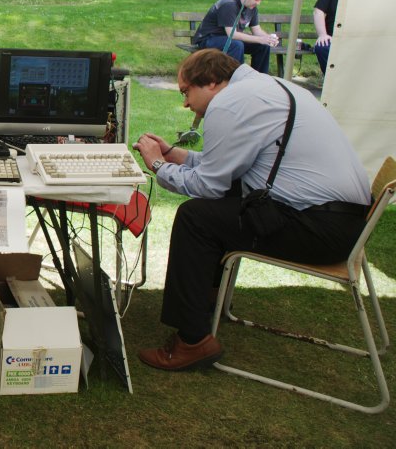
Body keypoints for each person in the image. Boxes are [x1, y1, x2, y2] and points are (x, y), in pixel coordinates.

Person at [133, 48, 370, 371]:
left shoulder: (231, 104)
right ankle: (207, 300)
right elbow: (231, 165)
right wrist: (178, 156)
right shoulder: (264, 88)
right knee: (224, 200)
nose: (186, 103)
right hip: (342, 223)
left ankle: (192, 340)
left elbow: (209, 185)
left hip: (319, 229)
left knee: (196, 218)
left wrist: (158, 165)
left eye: (186, 91)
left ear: (213, 82)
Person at [192, 0, 278, 74]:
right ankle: (235, 79)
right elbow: (232, 34)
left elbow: (256, 30)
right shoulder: (230, 4)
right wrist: (259, 39)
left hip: (228, 39)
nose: (258, 3)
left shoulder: (252, 7)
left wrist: (268, 38)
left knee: (263, 46)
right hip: (208, 39)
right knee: (236, 45)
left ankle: (258, 80)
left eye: (260, 0)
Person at [313, 0, 341, 74]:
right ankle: (331, 81)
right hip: (332, 38)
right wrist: (322, 34)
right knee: (322, 47)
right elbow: (318, 11)